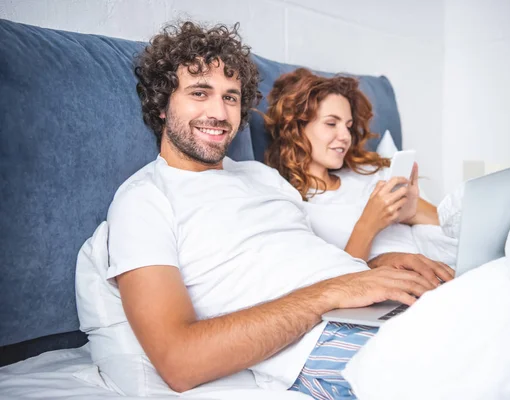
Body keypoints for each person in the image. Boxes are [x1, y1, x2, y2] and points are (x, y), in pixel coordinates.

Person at [82, 21, 453, 399]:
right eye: (199, 92)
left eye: (230, 97)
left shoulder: (262, 177)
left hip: (373, 309)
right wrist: (332, 292)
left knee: (499, 309)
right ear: (162, 105)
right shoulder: (144, 200)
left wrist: (380, 264)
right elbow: (179, 362)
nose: (220, 112)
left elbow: (310, 264)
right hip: (320, 340)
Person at [264, 68, 452, 263]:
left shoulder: (370, 174)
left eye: (348, 125)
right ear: (296, 128)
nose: (345, 136)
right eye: (331, 123)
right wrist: (369, 223)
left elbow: (453, 226)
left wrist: (409, 214)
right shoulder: (293, 202)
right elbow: (338, 283)